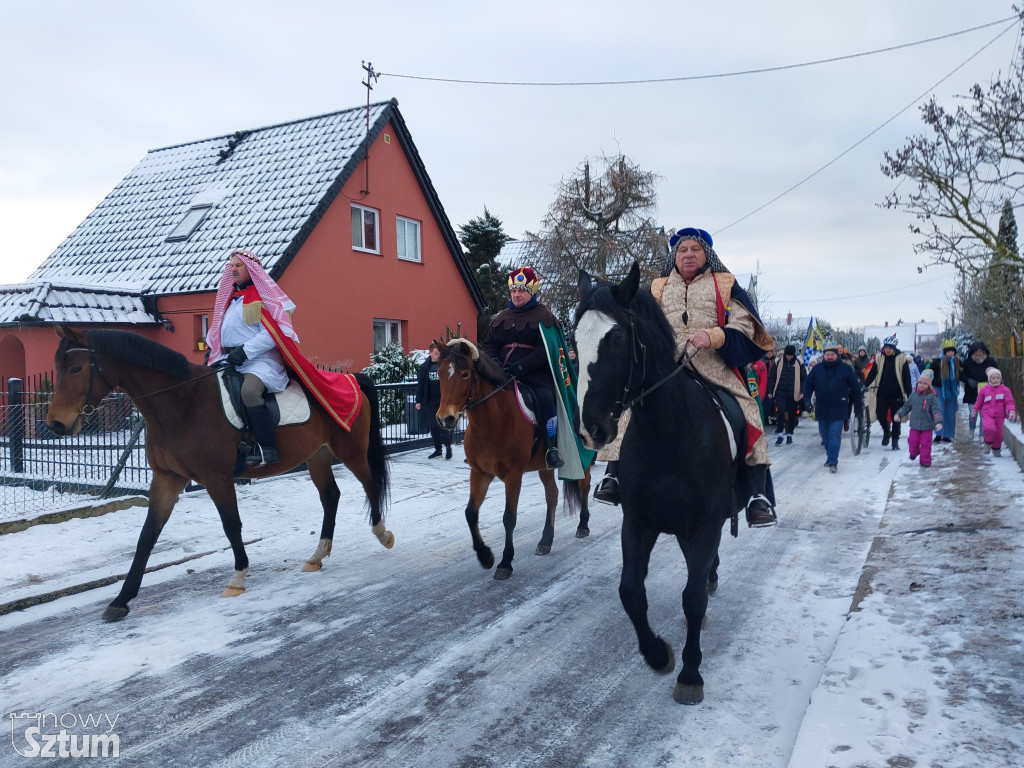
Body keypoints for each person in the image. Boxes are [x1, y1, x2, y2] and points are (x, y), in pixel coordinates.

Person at [594, 227, 777, 528]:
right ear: (674, 256)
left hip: (713, 368)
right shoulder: (657, 287)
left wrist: (715, 335)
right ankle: (613, 474)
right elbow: (636, 325)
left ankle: (758, 495)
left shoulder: (727, 284)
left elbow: (745, 326)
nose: (688, 254)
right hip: (663, 370)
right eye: (682, 250)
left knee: (748, 411)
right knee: (626, 409)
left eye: (695, 249)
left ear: (707, 254)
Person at [205, 248, 364, 467]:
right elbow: (220, 330)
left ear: (251, 270)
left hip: (260, 362)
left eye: (238, 265)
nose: (232, 269)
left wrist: (245, 352)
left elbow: (273, 334)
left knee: (249, 392)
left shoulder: (261, 298)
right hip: (230, 359)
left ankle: (266, 448)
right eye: (230, 265)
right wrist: (212, 347)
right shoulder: (230, 300)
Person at [481, 266, 564, 469]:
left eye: (521, 291)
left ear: (531, 292)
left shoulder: (545, 317)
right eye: (513, 291)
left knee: (545, 399)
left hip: (534, 375)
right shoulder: (501, 317)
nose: (516, 295)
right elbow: (490, 344)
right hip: (503, 373)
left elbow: (546, 351)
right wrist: (494, 362)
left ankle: (551, 448)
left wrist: (522, 366)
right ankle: (483, 445)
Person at [802, 340, 863, 473]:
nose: (830, 357)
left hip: (839, 408)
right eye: (827, 354)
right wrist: (806, 400)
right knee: (825, 436)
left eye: (832, 354)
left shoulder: (846, 369)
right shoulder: (817, 369)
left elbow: (855, 388)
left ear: (837, 355)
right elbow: (807, 385)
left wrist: (858, 405)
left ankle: (833, 461)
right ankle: (830, 456)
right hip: (822, 408)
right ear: (824, 356)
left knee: (835, 434)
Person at [864, 335, 912, 451]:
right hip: (882, 392)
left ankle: (895, 441)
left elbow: (906, 377)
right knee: (880, 413)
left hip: (897, 393)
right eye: (886, 347)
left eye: (890, 348)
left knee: (896, 418)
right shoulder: (879, 358)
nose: (888, 350)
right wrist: (865, 385)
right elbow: (872, 373)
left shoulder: (902, 359)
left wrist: (909, 393)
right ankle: (886, 431)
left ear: (894, 348)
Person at [894, 369, 943, 468]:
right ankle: (913, 453)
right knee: (913, 441)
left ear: (929, 385)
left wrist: (938, 422)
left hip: (927, 426)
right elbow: (906, 407)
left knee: (925, 444)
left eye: (924, 383)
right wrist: (899, 414)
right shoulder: (913, 395)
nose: (921, 385)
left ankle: (925, 461)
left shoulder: (933, 397)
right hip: (915, 425)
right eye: (920, 383)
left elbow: (936, 411)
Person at [416, 342, 452, 460]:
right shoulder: (425, 367)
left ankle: (448, 447)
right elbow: (420, 385)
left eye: (439, 353)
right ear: (430, 353)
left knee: (444, 424)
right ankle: (438, 450)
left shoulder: (443, 365)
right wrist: (418, 400)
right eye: (436, 353)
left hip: (443, 400)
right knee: (434, 426)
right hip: (430, 400)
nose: (438, 355)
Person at [972, 367, 1017, 456]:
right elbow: (979, 401)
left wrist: (1011, 411)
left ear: (1000, 378)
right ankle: (988, 444)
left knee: (999, 434)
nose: (996, 380)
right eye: (993, 378)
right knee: (989, 428)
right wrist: (975, 410)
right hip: (987, 414)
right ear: (989, 379)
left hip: (1000, 415)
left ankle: (996, 449)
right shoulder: (984, 390)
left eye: (998, 378)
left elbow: (1009, 402)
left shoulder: (1005, 390)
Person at [767, 344, 805, 445]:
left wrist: (802, 391)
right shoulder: (778, 362)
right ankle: (780, 434)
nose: (789, 357)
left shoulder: (799, 363)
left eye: (791, 355)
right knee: (781, 411)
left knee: (792, 414)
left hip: (794, 392)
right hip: (780, 391)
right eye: (787, 355)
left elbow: (804, 378)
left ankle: (789, 434)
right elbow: (772, 377)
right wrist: (770, 391)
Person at [961, 341, 998, 440]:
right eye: (976, 352)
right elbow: (961, 375)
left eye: (980, 351)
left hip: (987, 392)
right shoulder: (967, 362)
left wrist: (991, 381)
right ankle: (972, 429)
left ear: (984, 352)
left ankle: (982, 433)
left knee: (984, 414)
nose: (978, 354)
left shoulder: (990, 362)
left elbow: (997, 373)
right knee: (972, 413)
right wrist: (968, 380)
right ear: (972, 353)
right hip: (972, 393)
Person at [930, 339, 961, 443]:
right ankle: (938, 434)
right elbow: (929, 373)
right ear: (944, 352)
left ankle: (948, 435)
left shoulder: (957, 362)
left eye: (952, 351)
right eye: (948, 351)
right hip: (938, 389)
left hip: (952, 390)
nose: (950, 353)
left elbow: (962, 374)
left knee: (950, 412)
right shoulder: (937, 362)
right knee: (939, 411)